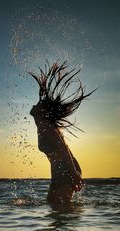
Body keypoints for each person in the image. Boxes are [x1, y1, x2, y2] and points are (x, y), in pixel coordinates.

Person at [29, 61, 95, 210]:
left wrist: (75, 174)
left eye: (39, 104)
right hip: (61, 170)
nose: (35, 105)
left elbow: (64, 149)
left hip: (65, 169)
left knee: (62, 209)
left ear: (42, 112)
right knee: (54, 205)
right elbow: (64, 149)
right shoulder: (41, 125)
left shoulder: (47, 126)